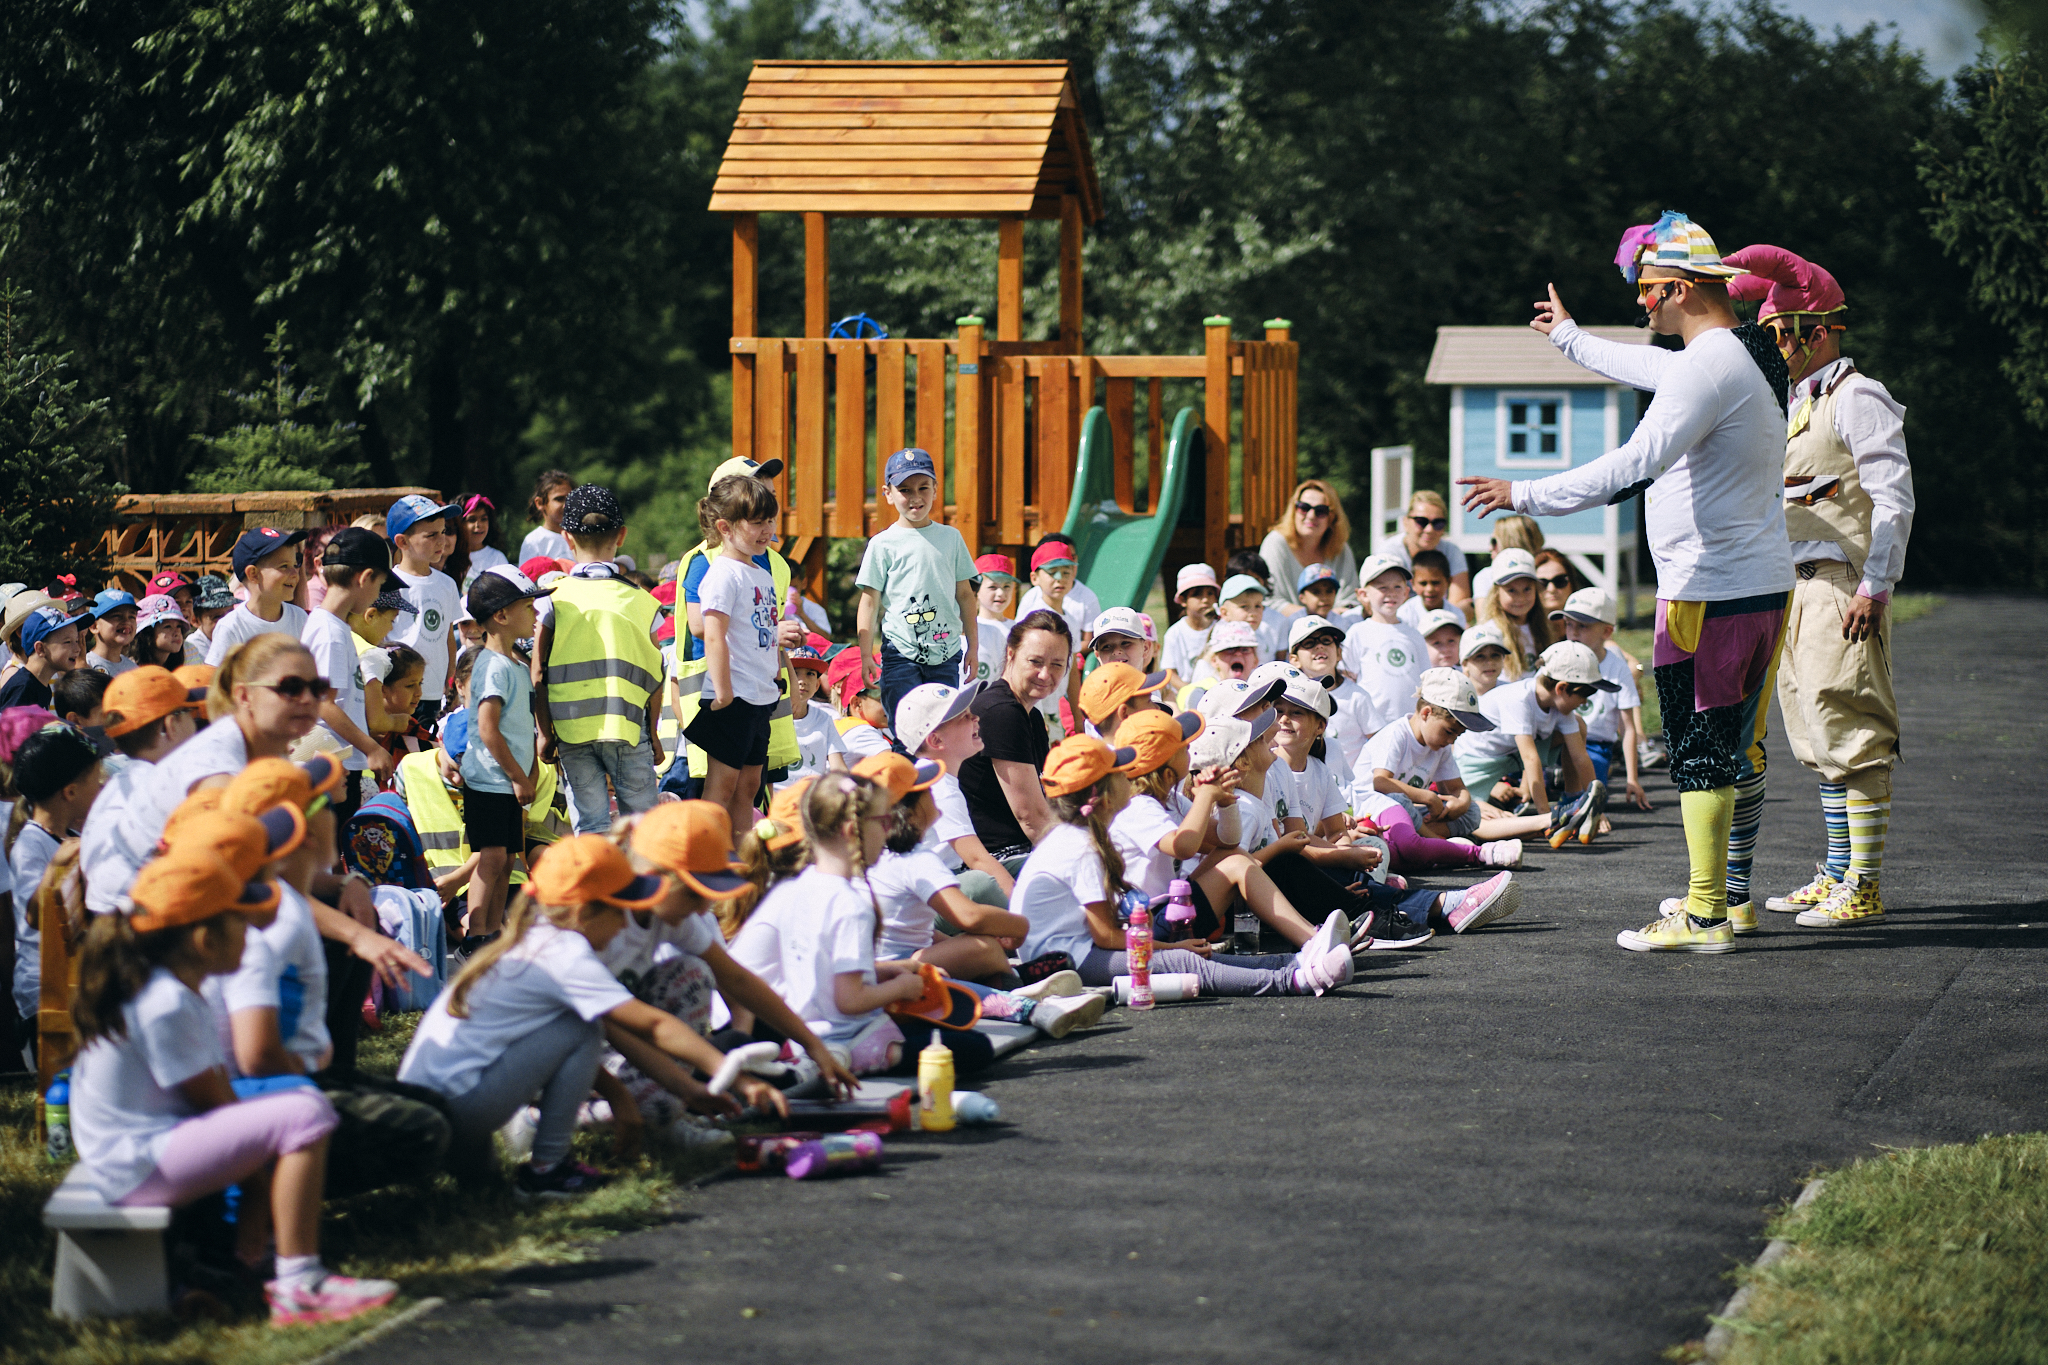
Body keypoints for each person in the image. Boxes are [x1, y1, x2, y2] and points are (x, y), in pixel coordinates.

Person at [1462, 210, 1792, 953]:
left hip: (1709, 593)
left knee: (1701, 750)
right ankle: (1730, 897)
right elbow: (1650, 370)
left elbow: (1630, 464)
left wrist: (1522, 493)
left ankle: (1706, 912)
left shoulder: (1707, 367)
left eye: (1648, 291)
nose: (1642, 305)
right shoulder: (1746, 353)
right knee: (1740, 747)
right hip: (1763, 586)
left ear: (1678, 287)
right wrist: (1571, 337)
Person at [69, 846, 398, 1325]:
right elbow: (215, 1109)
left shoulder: (174, 987)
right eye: (245, 925)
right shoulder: (167, 1002)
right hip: (133, 1163)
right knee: (305, 1113)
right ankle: (297, 1283)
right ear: (205, 939)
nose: (255, 936)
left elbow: (220, 1096)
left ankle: (261, 1258)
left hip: (140, 1148)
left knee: (295, 1101)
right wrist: (256, 1191)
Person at [1725, 244, 1912, 931]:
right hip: (1795, 589)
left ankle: (1863, 882)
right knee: (1814, 731)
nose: (1777, 345)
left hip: (1842, 585)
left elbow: (1892, 500)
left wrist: (1876, 585)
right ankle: (1837, 869)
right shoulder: (1799, 400)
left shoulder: (1858, 398)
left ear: (1823, 329)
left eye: (1785, 333)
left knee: (1852, 728)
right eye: (1769, 333)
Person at [400, 835, 732, 1197]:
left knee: (488, 1194)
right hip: (459, 1109)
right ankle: (548, 1169)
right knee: (582, 1027)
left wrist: (636, 1094)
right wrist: (731, 1074)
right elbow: (651, 1024)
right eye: (620, 911)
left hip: (439, 1107)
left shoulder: (537, 939)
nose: (626, 926)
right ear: (584, 912)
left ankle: (503, 1161)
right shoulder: (566, 953)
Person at [1017, 734, 1352, 997]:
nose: (1129, 777)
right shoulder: (1080, 847)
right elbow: (1105, 936)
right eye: (1119, 773)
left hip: (1077, 950)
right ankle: (1293, 980)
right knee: (1181, 961)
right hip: (1066, 961)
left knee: (1190, 957)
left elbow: (1222, 843)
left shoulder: (1079, 836)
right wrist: (1169, 947)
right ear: (1102, 796)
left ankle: (1295, 962)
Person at [729, 774, 986, 1076]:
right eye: (884, 821)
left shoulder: (798, 888)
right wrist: (900, 986)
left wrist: (888, 970)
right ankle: (852, 1061)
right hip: (845, 1038)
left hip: (802, 1032)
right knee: (975, 1047)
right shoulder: (850, 904)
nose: (890, 830)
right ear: (853, 831)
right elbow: (850, 1000)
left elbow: (820, 970)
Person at [537, 484, 665, 834]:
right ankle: (646, 889)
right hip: (628, 728)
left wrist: (545, 732)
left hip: (571, 730)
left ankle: (594, 888)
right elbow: (656, 674)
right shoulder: (643, 602)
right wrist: (652, 734)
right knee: (642, 828)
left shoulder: (552, 599)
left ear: (566, 537)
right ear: (621, 536)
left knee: (590, 827)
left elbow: (538, 672)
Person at [855, 752, 1030, 983]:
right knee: (983, 947)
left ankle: (1008, 981)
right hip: (898, 968)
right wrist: (1021, 925)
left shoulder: (875, 855)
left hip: (876, 967)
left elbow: (914, 930)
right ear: (909, 810)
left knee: (975, 948)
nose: (933, 794)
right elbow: (971, 916)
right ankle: (1015, 986)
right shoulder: (915, 857)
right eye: (927, 790)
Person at [685, 476, 790, 838]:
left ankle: (742, 862)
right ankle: (707, 860)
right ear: (725, 528)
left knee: (749, 787)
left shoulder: (760, 572)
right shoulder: (722, 574)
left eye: (770, 520)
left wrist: (775, 673)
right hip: (733, 695)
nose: (767, 530)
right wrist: (723, 691)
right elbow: (712, 634)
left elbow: (766, 632)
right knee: (722, 785)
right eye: (757, 522)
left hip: (761, 694)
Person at [1355, 669, 1526, 872]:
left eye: (1458, 735)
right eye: (1449, 731)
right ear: (1426, 713)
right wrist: (1428, 797)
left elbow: (1457, 789)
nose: (1452, 740)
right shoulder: (1396, 734)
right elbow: (1380, 782)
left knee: (1472, 811)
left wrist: (1460, 804)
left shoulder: (1440, 747)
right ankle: (1443, 844)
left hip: (1410, 814)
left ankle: (1429, 845)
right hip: (1372, 810)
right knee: (1399, 801)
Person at [855, 448, 979, 725]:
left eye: (923, 487)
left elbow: (965, 596)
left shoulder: (951, 538)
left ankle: (939, 771)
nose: (915, 497)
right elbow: (869, 602)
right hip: (900, 652)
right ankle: (904, 769)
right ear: (888, 494)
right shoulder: (882, 543)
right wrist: (866, 655)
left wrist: (973, 646)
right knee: (905, 728)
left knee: (942, 728)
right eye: (905, 489)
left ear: (935, 489)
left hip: (946, 652)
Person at [462, 566, 551, 942]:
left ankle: (495, 931)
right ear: (500, 615)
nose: (535, 615)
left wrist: (528, 772)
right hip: (489, 779)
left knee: (509, 859)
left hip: (511, 781)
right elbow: (488, 728)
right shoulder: (493, 665)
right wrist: (517, 775)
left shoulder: (514, 664)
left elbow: (521, 726)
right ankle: (475, 934)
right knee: (492, 857)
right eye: (528, 607)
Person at [81, 666, 206, 913]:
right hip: (140, 931)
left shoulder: (120, 782)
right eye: (190, 713)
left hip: (109, 922)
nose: (196, 723)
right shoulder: (164, 788)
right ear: (170, 725)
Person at [10, 721, 104, 1039]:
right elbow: (34, 917)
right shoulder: (31, 844)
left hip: (73, 974)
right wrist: (56, 867)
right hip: (45, 987)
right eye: (96, 779)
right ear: (71, 792)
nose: (102, 785)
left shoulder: (71, 834)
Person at [958, 611, 1070, 872]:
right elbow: (1032, 818)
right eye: (1035, 661)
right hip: (999, 861)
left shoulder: (1030, 715)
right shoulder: (1000, 712)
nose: (1045, 674)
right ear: (1011, 654)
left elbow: (1047, 800)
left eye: (1056, 664)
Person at [302, 527, 400, 819]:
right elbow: (323, 703)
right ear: (365, 577)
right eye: (380, 584)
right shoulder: (330, 631)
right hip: (332, 763)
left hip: (337, 761)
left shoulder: (333, 626)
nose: (377, 594)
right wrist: (372, 748)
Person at [897, 681, 1012, 904]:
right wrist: (1025, 910)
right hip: (922, 897)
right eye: (964, 716)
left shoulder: (936, 776)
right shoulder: (938, 787)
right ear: (936, 740)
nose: (975, 718)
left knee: (1023, 865)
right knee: (982, 885)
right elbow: (977, 859)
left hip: (943, 879)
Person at [1550, 587, 1650, 813]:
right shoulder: (1559, 655)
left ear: (1606, 631)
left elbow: (1628, 728)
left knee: (1593, 792)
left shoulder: (1617, 667)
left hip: (1594, 745)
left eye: (1582, 626)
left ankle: (1576, 804)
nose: (1573, 632)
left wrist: (1632, 778)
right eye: (1568, 624)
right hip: (1556, 739)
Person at [382, 495, 464, 725]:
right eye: (431, 535)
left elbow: (448, 638)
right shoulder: (387, 583)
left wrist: (451, 685)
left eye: (443, 531)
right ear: (402, 542)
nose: (442, 541)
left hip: (434, 694)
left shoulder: (447, 584)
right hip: (397, 695)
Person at [1342, 555, 1430, 739]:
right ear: (1363, 594)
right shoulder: (1357, 632)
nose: (1391, 593)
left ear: (1406, 592)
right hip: (1371, 728)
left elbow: (1425, 680)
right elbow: (1347, 678)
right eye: (1382, 587)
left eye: (1397, 587)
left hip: (1410, 726)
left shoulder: (1414, 635)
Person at [205, 528, 311, 668]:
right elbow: (215, 681)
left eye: (295, 565)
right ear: (253, 574)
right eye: (284, 566)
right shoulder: (232, 627)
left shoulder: (300, 618)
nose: (294, 574)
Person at [1286, 615, 1372, 777]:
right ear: (1294, 660)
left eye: (1326, 640)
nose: (1319, 646)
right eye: (1309, 643)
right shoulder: (1289, 702)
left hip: (1351, 786)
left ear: (1339, 653)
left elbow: (1377, 743)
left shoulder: (1357, 696)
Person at [1261, 478, 1359, 608]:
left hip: (1333, 625)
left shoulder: (1340, 548)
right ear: (1294, 510)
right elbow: (1271, 600)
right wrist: (1312, 622)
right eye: (1304, 508)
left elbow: (1350, 600)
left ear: (1332, 517)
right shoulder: (1275, 543)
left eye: (1321, 511)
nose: (1311, 515)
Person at [1376, 490, 1473, 610]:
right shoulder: (1388, 553)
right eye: (1421, 522)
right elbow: (1390, 605)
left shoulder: (1452, 552)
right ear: (1405, 522)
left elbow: (1462, 604)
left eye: (1438, 523)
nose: (1429, 529)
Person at [1, 604, 89, 711]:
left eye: (76, 641)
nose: (77, 649)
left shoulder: (42, 686)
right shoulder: (23, 689)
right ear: (40, 649)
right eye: (68, 642)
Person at [1473, 548, 1546, 678]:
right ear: (1496, 593)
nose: (1521, 597)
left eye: (1527, 589)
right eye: (1511, 590)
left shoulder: (1544, 628)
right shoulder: (1490, 631)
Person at [785, 640, 845, 780]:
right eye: (795, 672)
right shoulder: (771, 716)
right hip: (777, 795)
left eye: (810, 674)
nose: (802, 681)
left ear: (817, 685)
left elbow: (838, 767)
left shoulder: (824, 719)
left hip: (812, 797)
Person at [1016, 531, 1100, 631]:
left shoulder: (1072, 619)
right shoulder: (1032, 616)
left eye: (1065, 572)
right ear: (1034, 578)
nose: (1060, 578)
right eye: (1052, 572)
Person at [1160, 564, 1219, 693]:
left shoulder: (1222, 628)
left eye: (1210, 593)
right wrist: (1189, 691)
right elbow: (1169, 672)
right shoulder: (1175, 633)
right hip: (1186, 696)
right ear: (1183, 600)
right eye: (1197, 595)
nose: (1205, 599)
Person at [1077, 661, 1168, 744]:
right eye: (1149, 701)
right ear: (1124, 714)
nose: (1157, 708)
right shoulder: (1133, 761)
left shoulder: (1101, 759)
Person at [969, 554, 1018, 686]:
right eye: (993, 587)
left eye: (1006, 586)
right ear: (976, 590)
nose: (1001, 593)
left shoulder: (1018, 628)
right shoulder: (970, 629)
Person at [1397, 550, 1466, 633]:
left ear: (1448, 582)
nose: (1429, 589)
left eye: (1435, 583)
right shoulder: (1405, 614)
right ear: (1413, 584)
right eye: (1423, 583)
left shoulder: (1456, 614)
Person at [519, 470, 574, 565]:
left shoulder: (581, 536)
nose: (566, 505)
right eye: (559, 499)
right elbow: (527, 577)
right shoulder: (533, 541)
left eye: (570, 498)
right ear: (540, 503)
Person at [1087, 607, 1157, 675]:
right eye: (1107, 646)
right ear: (1098, 655)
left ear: (1145, 648)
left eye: (1125, 643)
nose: (1116, 652)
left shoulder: (1156, 686)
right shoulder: (1093, 687)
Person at [83, 590, 139, 676]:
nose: (127, 622)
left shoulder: (133, 669)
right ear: (94, 626)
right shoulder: (86, 665)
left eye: (132, 617)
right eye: (117, 616)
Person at [128, 595, 191, 671]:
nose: (177, 633)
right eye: (168, 626)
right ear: (146, 634)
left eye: (179, 626)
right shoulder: (131, 669)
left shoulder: (178, 668)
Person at [1298, 563, 1361, 634]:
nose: (1324, 598)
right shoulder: (1293, 622)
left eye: (1329, 591)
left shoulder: (1343, 623)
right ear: (1302, 598)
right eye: (1316, 592)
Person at [187, 575, 236, 660]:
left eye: (230, 613)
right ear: (195, 620)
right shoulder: (193, 649)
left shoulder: (238, 636)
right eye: (217, 617)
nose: (226, 621)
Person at [1461, 622, 1512, 697]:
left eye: (1495, 655)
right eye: (1480, 656)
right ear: (1465, 664)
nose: (1490, 662)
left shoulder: (1512, 693)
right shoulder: (1457, 696)